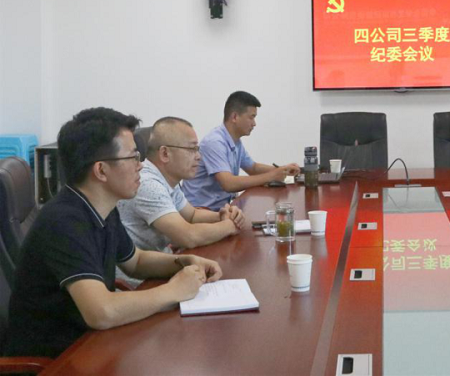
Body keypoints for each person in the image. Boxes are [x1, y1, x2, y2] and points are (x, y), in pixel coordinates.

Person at [4, 108, 221, 358]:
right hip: (57, 360)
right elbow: (101, 311)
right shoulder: (64, 222)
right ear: (101, 170)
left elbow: (135, 261)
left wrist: (183, 261)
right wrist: (174, 291)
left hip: (91, 345)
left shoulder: (104, 207)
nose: (141, 165)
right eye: (133, 157)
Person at [118, 116, 246, 259]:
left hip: (163, 261)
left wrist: (221, 216)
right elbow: (188, 236)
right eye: (192, 149)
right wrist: (231, 225)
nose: (199, 156)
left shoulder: (167, 178)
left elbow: (192, 215)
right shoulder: (148, 184)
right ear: (165, 154)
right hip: (144, 272)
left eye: (197, 149)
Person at [182, 91, 300, 211]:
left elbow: (253, 168)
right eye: (251, 117)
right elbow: (229, 184)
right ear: (235, 117)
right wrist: (271, 176)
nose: (254, 124)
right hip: (200, 212)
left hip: (221, 208)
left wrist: (283, 170)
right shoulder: (214, 142)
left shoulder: (235, 141)